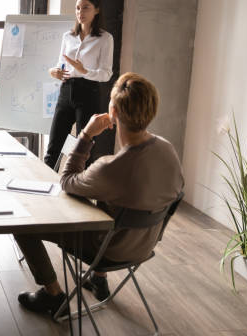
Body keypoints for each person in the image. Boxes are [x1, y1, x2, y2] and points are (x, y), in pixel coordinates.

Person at [15, 72, 184, 315]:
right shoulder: (168, 150)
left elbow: (67, 180)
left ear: (113, 112)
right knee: (112, 201)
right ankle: (97, 278)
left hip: (109, 250)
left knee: (23, 225)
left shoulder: (111, 168)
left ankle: (52, 295)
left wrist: (85, 135)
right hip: (145, 245)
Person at [44, 0, 114, 169]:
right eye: (77, 8)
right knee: (53, 147)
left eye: (86, 8)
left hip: (89, 92)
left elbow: (106, 74)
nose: (80, 12)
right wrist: (54, 71)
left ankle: (80, 193)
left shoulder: (105, 39)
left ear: (96, 10)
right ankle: (45, 189)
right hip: (66, 90)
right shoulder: (68, 36)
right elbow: (60, 64)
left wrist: (85, 71)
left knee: (85, 150)